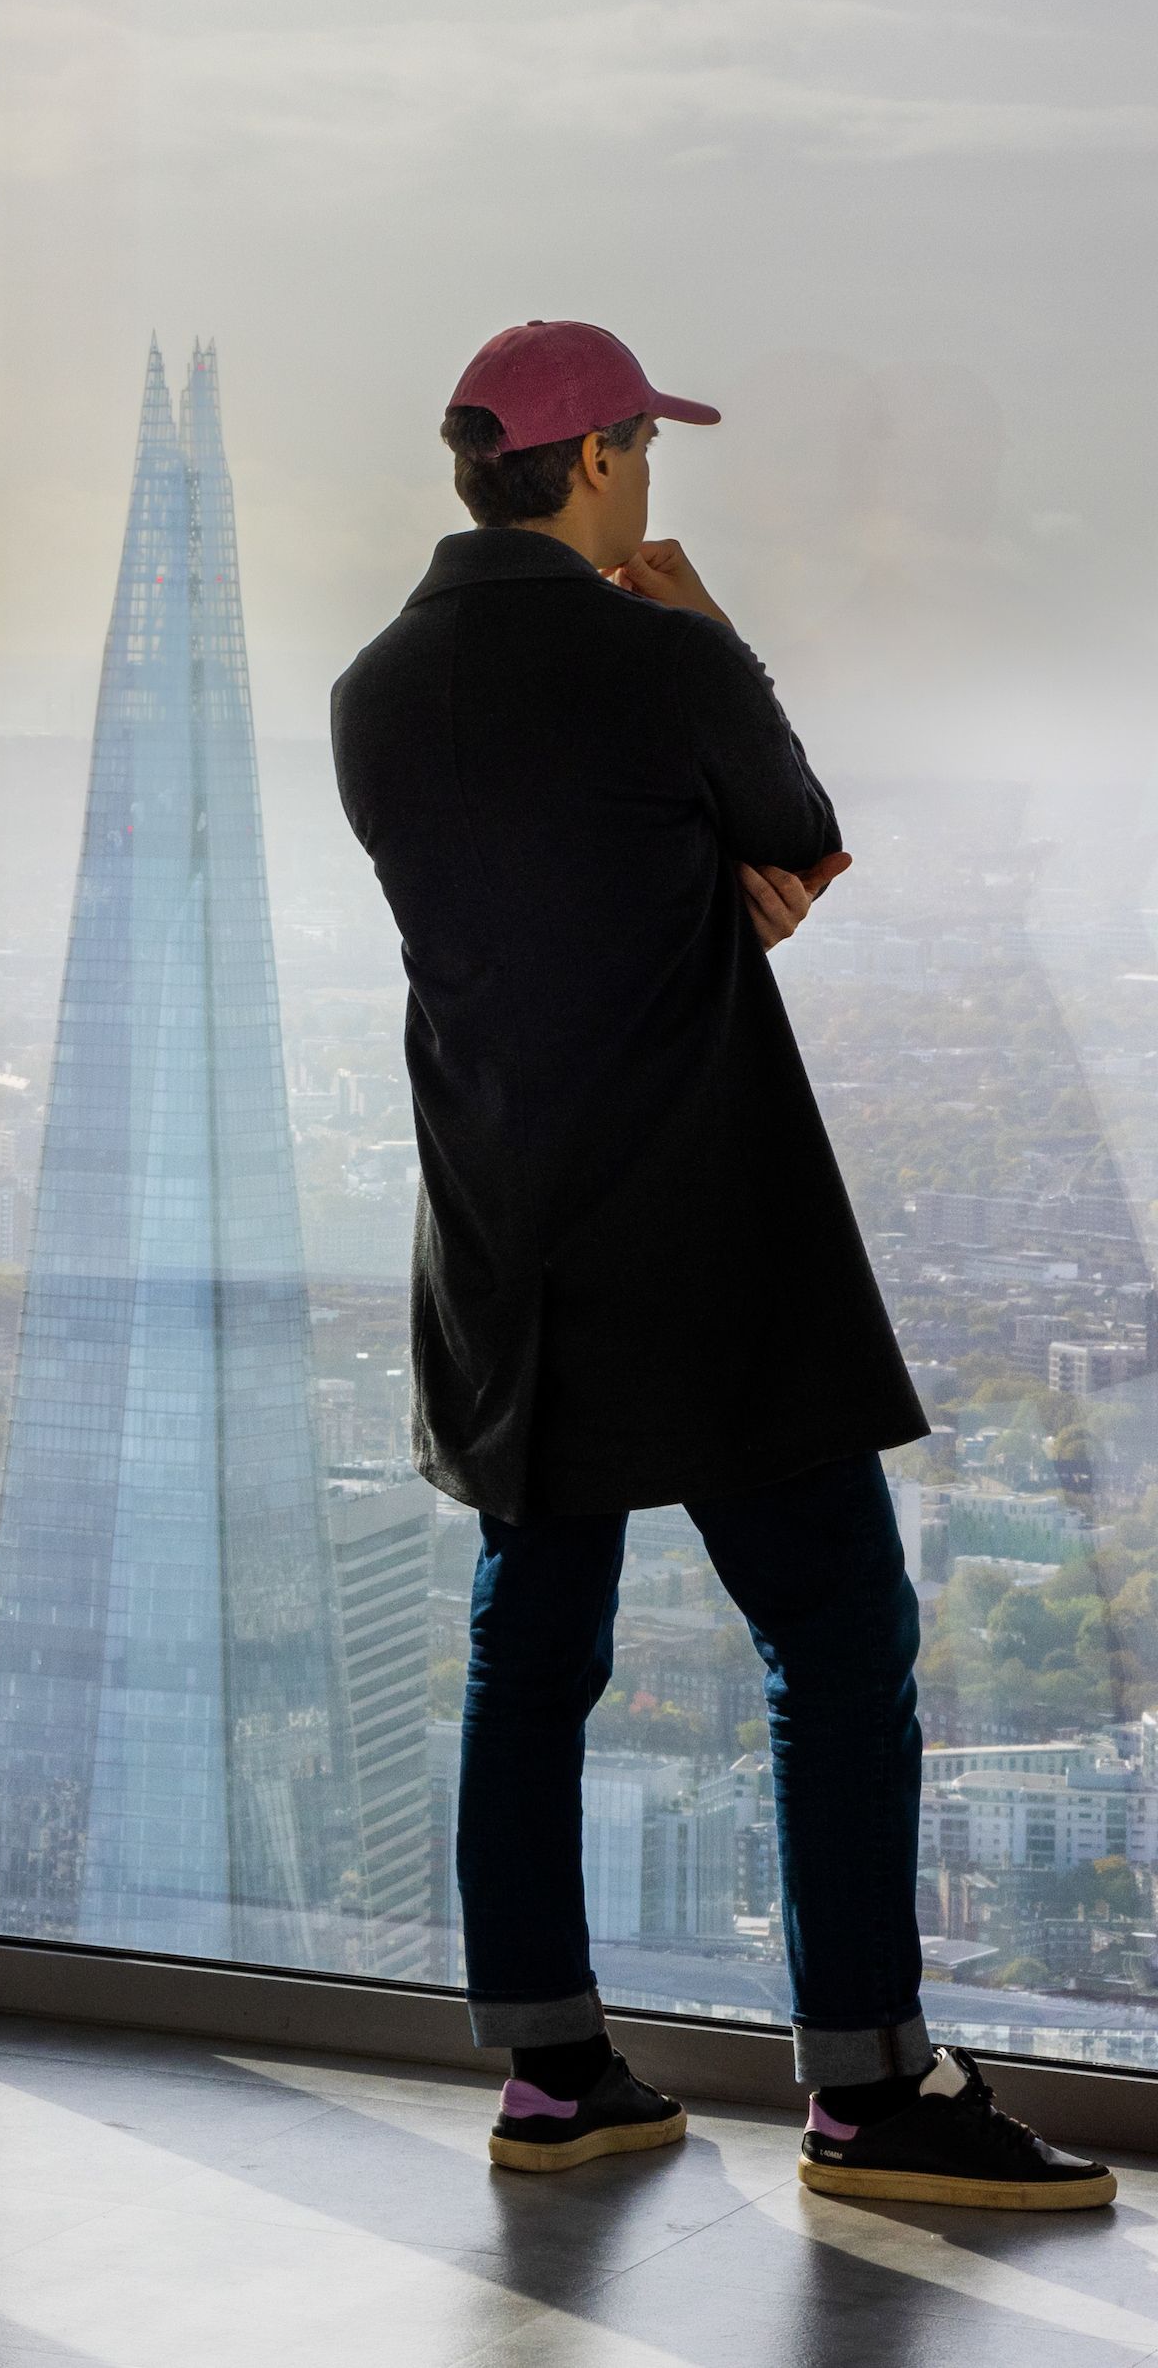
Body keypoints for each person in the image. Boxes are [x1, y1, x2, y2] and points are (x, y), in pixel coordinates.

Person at [331, 318, 1108, 2209]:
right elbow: (798, 836)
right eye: (647, 452)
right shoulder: (658, 651)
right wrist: (710, 637)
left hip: (504, 1253)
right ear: (597, 457)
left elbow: (549, 913)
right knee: (840, 1640)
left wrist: (689, 894)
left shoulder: (372, 691)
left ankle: (554, 2076)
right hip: (704, 1243)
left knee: (532, 1657)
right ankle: (869, 2089)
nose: (652, 484)